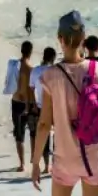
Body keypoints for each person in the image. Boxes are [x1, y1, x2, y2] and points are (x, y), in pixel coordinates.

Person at [32, 11, 98, 196]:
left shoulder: (50, 76)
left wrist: (35, 163)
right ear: (83, 38)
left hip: (65, 160)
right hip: (95, 158)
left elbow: (44, 125)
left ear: (60, 39)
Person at [29, 46, 57, 175]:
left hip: (41, 107)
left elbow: (31, 89)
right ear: (53, 57)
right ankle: (56, 165)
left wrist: (34, 105)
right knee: (58, 137)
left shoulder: (35, 71)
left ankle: (46, 166)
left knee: (44, 136)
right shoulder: (56, 70)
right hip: (56, 107)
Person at [11, 40, 36, 172]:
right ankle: (33, 156)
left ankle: (22, 164)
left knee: (19, 134)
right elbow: (30, 89)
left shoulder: (14, 66)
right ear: (30, 52)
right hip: (29, 104)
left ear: (21, 50)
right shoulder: (31, 69)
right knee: (32, 132)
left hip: (16, 101)